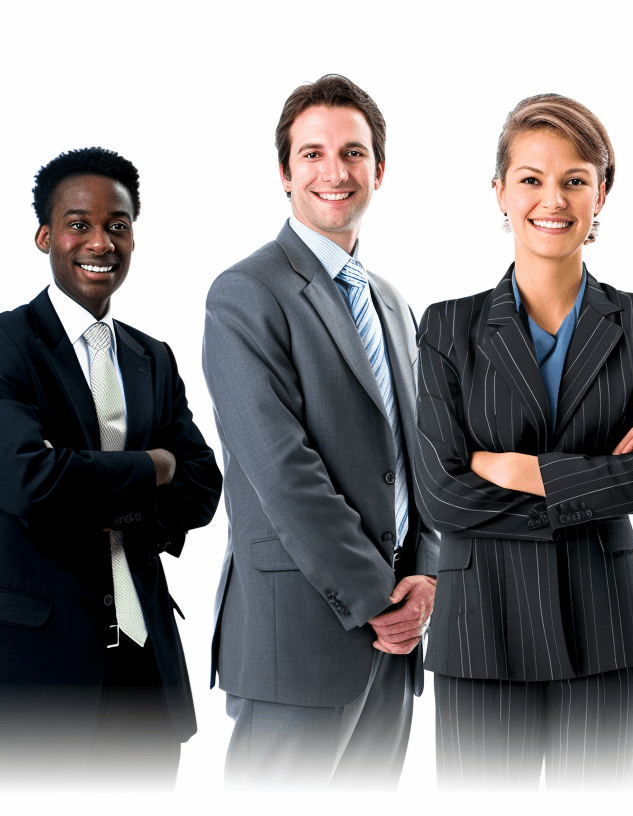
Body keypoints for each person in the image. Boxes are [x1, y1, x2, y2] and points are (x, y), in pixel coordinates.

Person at [415, 93, 633, 789]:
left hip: (604, 624)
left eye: (574, 178)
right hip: (482, 628)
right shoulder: (448, 329)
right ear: (499, 191)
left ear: (602, 192)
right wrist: (594, 480)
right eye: (530, 178)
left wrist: (509, 467)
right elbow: (442, 495)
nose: (551, 198)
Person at [202, 74, 435, 787]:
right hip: (299, 638)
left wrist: (425, 571)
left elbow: (419, 454)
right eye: (312, 154)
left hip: (395, 642)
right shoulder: (246, 294)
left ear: (379, 170)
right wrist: (377, 598)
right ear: (284, 171)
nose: (334, 172)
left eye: (353, 153)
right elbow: (281, 468)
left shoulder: (392, 302)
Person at [0, 147, 222, 787]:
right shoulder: (8, 347)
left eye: (118, 225)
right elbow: (30, 484)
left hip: (145, 667)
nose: (100, 241)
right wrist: (152, 465)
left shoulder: (153, 357)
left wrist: (93, 486)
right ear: (45, 235)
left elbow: (203, 486)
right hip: (40, 677)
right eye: (79, 224)